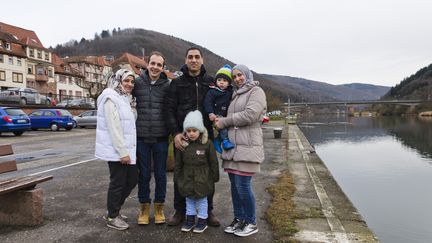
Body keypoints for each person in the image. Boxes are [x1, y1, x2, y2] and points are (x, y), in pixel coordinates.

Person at [165, 47, 220, 226]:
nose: (194, 60)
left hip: (206, 138)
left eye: (197, 57)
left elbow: (223, 102)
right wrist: (175, 134)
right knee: (181, 174)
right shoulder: (177, 83)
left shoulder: (211, 82)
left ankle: (207, 212)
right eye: (190, 57)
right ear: (186, 60)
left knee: (206, 174)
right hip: (184, 137)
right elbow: (169, 110)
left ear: (202, 60)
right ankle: (180, 211)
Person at [215, 64, 267, 237]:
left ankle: (251, 222)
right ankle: (239, 220)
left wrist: (224, 121)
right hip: (233, 149)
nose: (237, 79)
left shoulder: (256, 92)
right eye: (234, 76)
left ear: (247, 76)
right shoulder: (234, 95)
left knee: (243, 187)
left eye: (240, 75)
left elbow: (250, 115)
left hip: (248, 147)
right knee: (235, 188)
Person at [95, 69, 137, 231]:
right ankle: (112, 216)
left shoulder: (124, 99)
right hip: (117, 151)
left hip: (126, 149)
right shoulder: (110, 98)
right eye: (126, 81)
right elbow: (114, 128)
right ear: (118, 80)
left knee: (133, 179)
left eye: (132, 82)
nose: (130, 84)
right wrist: (122, 151)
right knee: (118, 183)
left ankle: (113, 210)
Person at [133, 51, 170, 225]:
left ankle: (159, 208)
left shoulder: (167, 85)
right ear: (147, 64)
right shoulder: (137, 82)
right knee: (144, 175)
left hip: (161, 137)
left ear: (163, 67)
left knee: (161, 175)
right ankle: (144, 209)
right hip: (141, 137)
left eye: (159, 65)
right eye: (153, 63)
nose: (155, 67)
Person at [174, 110, 219, 233]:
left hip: (203, 178)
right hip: (187, 177)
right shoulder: (183, 145)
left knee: (202, 200)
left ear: (200, 130)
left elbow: (213, 162)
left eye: (194, 130)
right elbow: (178, 163)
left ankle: (202, 221)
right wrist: (177, 178)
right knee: (189, 200)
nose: (192, 133)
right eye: (189, 131)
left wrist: (214, 176)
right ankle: (189, 221)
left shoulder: (207, 144)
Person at [203, 64, 235, 153]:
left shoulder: (230, 92)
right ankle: (224, 141)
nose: (221, 82)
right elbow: (207, 102)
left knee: (227, 127)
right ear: (216, 81)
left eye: (225, 80)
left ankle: (217, 140)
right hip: (215, 115)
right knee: (222, 127)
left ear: (229, 83)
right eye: (219, 80)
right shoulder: (212, 91)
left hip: (226, 115)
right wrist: (210, 112)